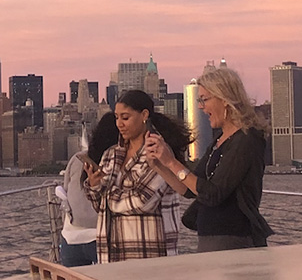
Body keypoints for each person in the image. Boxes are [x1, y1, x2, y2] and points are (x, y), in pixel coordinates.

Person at [145, 67, 273, 252]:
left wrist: (173, 162)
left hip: (233, 239)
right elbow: (190, 189)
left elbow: (213, 193)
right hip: (210, 237)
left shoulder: (246, 139)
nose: (200, 106)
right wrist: (160, 165)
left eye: (204, 99)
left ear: (225, 99)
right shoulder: (220, 139)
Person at [84, 90, 192, 263]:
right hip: (111, 256)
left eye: (125, 118)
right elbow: (100, 208)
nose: (119, 124)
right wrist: (95, 186)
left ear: (144, 115)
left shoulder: (159, 152)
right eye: (117, 118)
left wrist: (105, 195)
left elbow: (143, 201)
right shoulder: (110, 154)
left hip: (150, 254)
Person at [59, 113, 118, 266]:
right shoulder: (118, 160)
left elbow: (66, 189)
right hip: (104, 238)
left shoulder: (77, 159)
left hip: (72, 238)